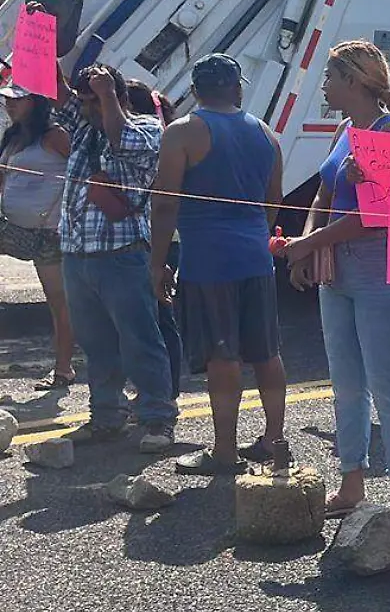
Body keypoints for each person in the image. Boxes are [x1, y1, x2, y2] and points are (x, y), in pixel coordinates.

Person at [282, 42, 390, 516]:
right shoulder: (345, 128)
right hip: (338, 265)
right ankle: (352, 482)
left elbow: (375, 216)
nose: (323, 85)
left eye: (330, 76)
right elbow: (323, 192)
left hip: (381, 268)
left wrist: (312, 244)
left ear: (355, 81)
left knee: (387, 381)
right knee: (345, 381)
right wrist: (305, 242)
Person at [148, 54, 290, 476]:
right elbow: (274, 197)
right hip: (254, 256)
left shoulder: (182, 132)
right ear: (238, 88)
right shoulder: (266, 133)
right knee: (266, 351)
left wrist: (157, 263)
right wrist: (256, 236)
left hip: (208, 259)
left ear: (195, 91)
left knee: (222, 354)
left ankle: (225, 451)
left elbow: (165, 203)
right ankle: (274, 441)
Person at [54, 64, 179, 452]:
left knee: (140, 339)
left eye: (96, 100)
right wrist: (48, 53)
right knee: (96, 343)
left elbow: (121, 139)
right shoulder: (83, 127)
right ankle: (106, 416)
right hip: (77, 254)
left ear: (119, 96)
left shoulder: (147, 127)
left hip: (122, 254)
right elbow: (58, 97)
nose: (86, 107)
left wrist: (107, 96)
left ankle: (158, 418)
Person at [0, 85, 75, 390]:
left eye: (17, 99)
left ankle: (63, 369)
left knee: (58, 301)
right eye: (7, 99)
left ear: (35, 102)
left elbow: (81, 172)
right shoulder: (13, 137)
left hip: (49, 232)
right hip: (15, 227)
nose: (9, 104)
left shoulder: (54, 135)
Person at [124, 80, 185, 401]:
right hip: (155, 238)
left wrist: (158, 261)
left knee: (159, 317)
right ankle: (157, 386)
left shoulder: (154, 142)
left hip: (160, 241)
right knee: (153, 317)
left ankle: (166, 389)